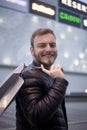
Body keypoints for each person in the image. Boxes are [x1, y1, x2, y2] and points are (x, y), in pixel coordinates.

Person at [15, 28, 69, 130]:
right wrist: (60, 82)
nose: (48, 49)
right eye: (42, 45)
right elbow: (36, 117)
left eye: (52, 45)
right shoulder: (28, 75)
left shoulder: (48, 74)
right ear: (32, 50)